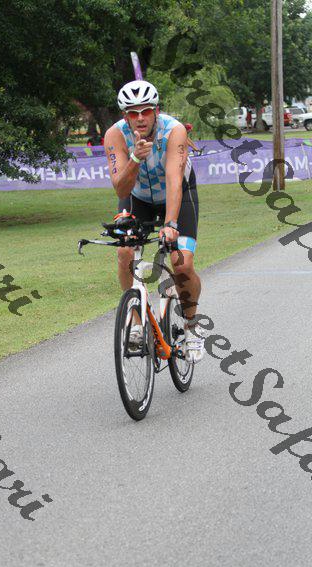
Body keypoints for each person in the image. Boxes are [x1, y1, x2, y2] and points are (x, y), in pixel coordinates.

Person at [103, 80, 205, 363]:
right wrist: (135, 158)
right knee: (125, 252)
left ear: (156, 111)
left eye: (146, 111)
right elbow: (121, 189)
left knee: (181, 263)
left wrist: (170, 224)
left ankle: (191, 325)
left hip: (178, 195)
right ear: (125, 115)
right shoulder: (115, 135)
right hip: (137, 198)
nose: (140, 118)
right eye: (133, 113)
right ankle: (136, 324)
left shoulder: (174, 130)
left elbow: (174, 181)